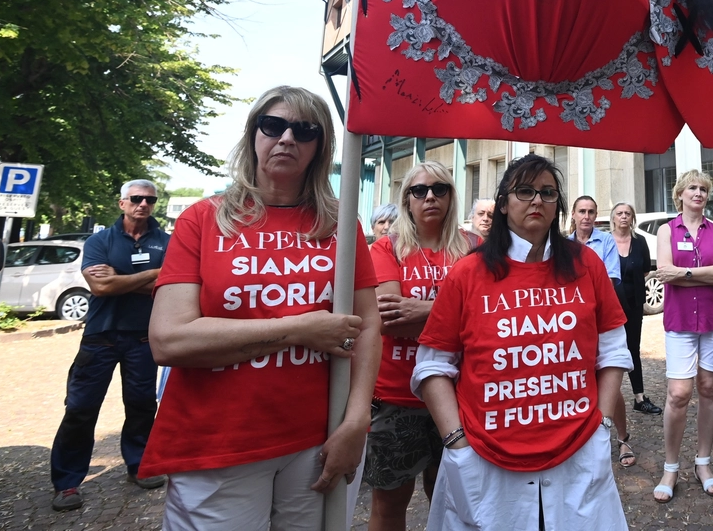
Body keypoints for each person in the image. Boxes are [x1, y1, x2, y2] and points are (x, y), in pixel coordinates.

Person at [141, 86, 381, 529]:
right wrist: (296, 329)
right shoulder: (203, 219)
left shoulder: (340, 225)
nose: (287, 138)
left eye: (304, 130)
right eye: (274, 126)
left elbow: (367, 327)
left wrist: (356, 421)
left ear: (320, 147)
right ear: (254, 134)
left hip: (319, 440)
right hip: (217, 443)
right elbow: (169, 340)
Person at [413, 154, 631, 530]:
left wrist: (603, 426)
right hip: (486, 458)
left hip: (577, 451)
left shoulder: (588, 265)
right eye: (525, 191)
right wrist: (457, 443)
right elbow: (432, 365)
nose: (537, 201)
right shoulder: (467, 273)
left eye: (548, 193)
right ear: (502, 204)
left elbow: (613, 352)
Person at [365, 162, 476, 531]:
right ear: (407, 200)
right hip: (397, 396)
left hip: (461, 394)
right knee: (390, 501)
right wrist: (457, 315)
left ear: (451, 196)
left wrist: (423, 311)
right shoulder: (387, 248)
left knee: (449, 495)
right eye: (419, 190)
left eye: (440, 189)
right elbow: (390, 318)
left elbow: (486, 317)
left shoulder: (475, 247)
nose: (430, 196)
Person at [49, 179, 170, 512]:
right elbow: (100, 288)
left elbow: (168, 288)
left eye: (149, 200)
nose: (142, 204)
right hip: (100, 337)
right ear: (122, 203)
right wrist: (151, 275)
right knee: (80, 409)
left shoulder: (168, 242)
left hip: (144, 337)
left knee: (142, 404)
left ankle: (139, 465)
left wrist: (120, 280)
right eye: (136, 199)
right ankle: (67, 483)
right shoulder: (99, 239)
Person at [652, 169, 713, 502]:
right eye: (691, 188)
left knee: (710, 388)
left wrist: (684, 273)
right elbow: (665, 275)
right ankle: (671, 466)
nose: (698, 193)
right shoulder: (666, 231)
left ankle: (703, 462)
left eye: (703, 189)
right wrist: (707, 276)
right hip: (681, 320)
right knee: (678, 394)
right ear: (680, 195)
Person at [569, 195, 635, 468]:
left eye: (591, 211)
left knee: (607, 378)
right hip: (571, 322)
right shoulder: (563, 245)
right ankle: (579, 439)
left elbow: (609, 279)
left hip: (599, 318)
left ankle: (622, 438)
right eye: (582, 211)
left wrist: (577, 288)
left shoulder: (606, 241)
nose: (586, 216)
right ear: (573, 215)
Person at [611, 202, 661, 415]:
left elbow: (644, 271)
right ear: (613, 218)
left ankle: (639, 398)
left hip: (633, 304)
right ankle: (606, 397)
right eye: (620, 213)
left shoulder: (640, 242)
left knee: (633, 349)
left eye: (627, 213)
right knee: (609, 351)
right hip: (610, 305)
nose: (623, 216)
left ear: (632, 219)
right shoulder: (606, 242)